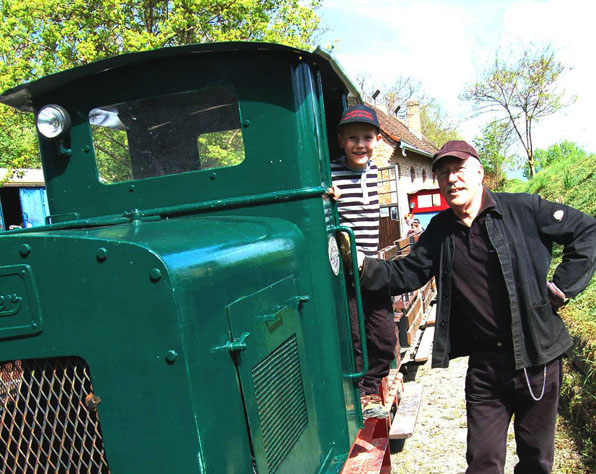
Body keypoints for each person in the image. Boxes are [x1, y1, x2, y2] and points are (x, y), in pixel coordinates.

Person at [355, 139, 596, 473]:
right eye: (442, 173)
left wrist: (562, 288)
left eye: (458, 170)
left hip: (536, 357)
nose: (451, 179)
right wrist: (361, 265)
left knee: (536, 461)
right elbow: (406, 273)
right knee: (482, 461)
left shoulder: (523, 209)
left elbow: (587, 230)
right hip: (486, 366)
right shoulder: (440, 229)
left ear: (479, 173)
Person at [329, 104, 396, 419]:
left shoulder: (376, 174)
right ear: (341, 139)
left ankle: (376, 381)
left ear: (378, 140)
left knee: (384, 335)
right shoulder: (330, 175)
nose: (360, 144)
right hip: (345, 272)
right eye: (353, 137)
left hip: (372, 269)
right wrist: (327, 196)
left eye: (367, 137)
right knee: (356, 336)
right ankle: (364, 396)